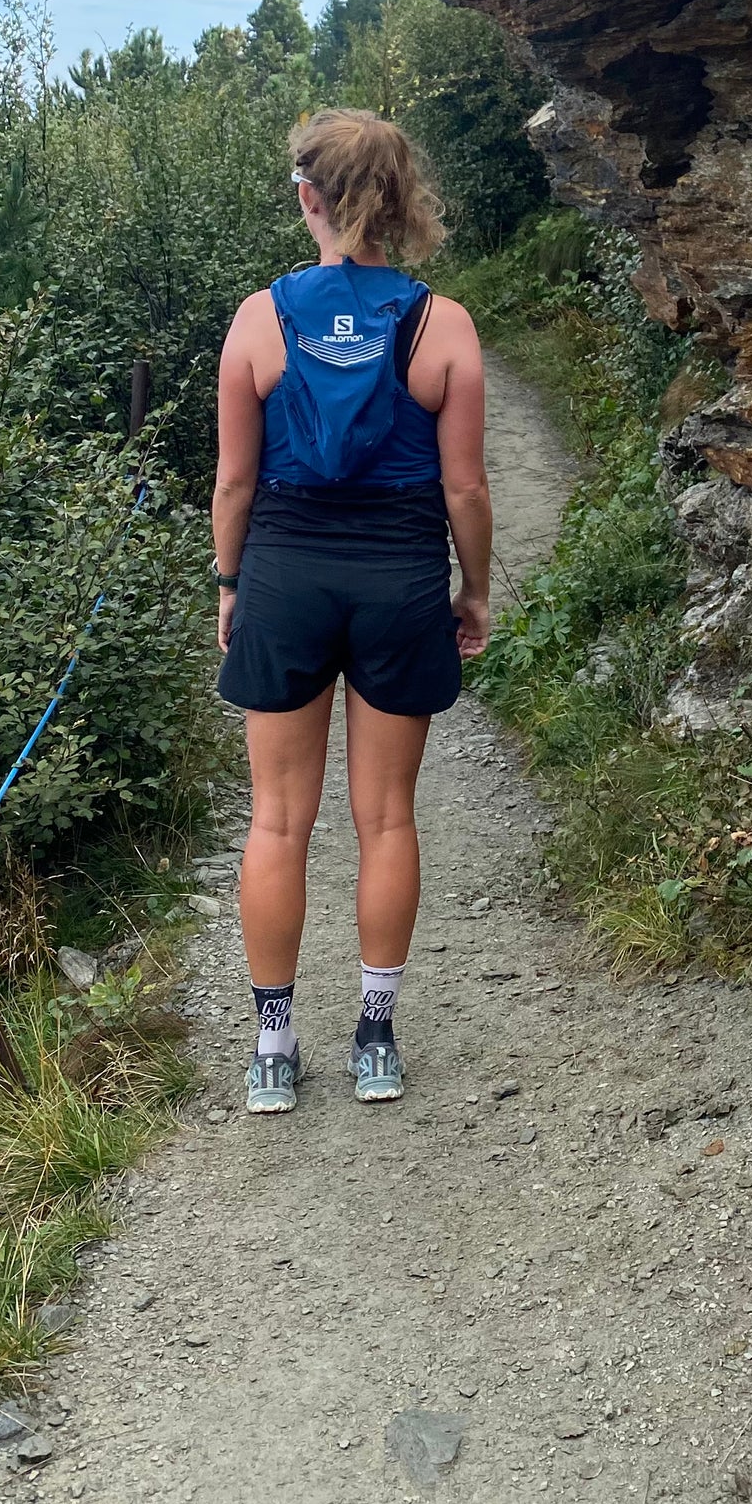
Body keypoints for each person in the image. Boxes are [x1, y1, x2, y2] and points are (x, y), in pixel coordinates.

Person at [211, 108, 491, 1115]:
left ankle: (273, 1051)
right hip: (397, 579)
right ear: (400, 198)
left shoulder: (258, 318)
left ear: (308, 197)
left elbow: (234, 486)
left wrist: (230, 584)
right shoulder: (441, 324)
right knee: (385, 817)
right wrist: (473, 588)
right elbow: (464, 490)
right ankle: (374, 1038)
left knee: (278, 819)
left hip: (284, 574)